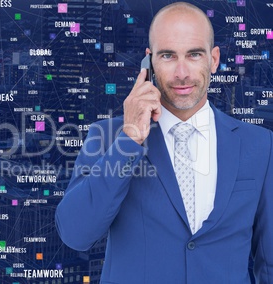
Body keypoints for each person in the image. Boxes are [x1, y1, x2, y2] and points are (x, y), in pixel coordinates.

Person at [55, 2, 273, 283]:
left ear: (214, 59)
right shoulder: (107, 136)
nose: (182, 73)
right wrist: (130, 138)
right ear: (149, 62)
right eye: (168, 56)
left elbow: (268, 263)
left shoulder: (260, 144)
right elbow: (76, 234)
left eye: (194, 54)